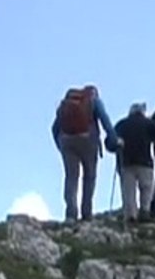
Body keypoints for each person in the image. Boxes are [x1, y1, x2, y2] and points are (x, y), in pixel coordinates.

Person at [51, 85, 121, 222]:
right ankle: (86, 213)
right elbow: (105, 120)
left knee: (71, 177)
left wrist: (61, 146)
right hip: (88, 140)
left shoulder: (66, 104)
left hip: (67, 142)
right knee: (89, 176)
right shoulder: (94, 100)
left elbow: (54, 128)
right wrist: (114, 139)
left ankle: (71, 214)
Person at [111, 102, 155, 223]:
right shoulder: (148, 123)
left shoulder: (121, 124)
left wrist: (116, 146)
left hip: (126, 163)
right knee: (146, 188)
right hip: (145, 161)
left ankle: (131, 215)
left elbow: (110, 142)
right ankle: (145, 211)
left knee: (128, 191)